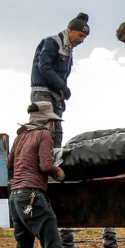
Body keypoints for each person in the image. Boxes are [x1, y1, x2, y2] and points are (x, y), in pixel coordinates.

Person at [4, 102, 74, 248]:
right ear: (46, 120)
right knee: (52, 244)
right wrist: (58, 172)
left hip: (15, 197)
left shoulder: (20, 136)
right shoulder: (44, 135)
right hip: (32, 196)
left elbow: (9, 164)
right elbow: (45, 164)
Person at [30, 13, 90, 147]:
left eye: (84, 37)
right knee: (44, 130)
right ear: (70, 30)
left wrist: (61, 95)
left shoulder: (68, 50)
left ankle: (53, 162)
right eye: (80, 36)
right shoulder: (53, 42)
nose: (81, 40)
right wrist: (62, 86)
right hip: (42, 91)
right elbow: (44, 66)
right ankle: (39, 163)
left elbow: (63, 74)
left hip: (55, 94)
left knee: (57, 132)